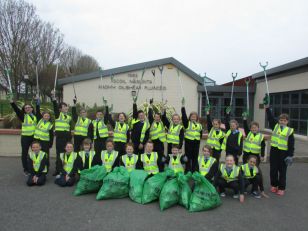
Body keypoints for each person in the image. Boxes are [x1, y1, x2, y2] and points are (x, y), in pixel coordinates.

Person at [264, 94, 294, 196]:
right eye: (281, 120)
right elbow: (270, 118)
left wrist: (290, 155)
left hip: (284, 153)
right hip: (274, 151)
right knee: (273, 169)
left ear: (287, 122)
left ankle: (281, 187)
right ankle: (274, 185)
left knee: (282, 171)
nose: (282, 122)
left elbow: (291, 145)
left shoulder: (289, 131)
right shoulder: (275, 126)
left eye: (284, 120)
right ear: (279, 120)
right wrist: (267, 107)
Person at [9, 94, 38, 175]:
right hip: (25, 138)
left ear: (32, 108)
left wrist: (37, 100)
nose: (27, 109)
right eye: (26, 108)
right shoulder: (23, 116)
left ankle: (34, 167)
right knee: (24, 153)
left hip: (34, 137)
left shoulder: (35, 116)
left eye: (29, 107)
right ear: (24, 110)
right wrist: (12, 102)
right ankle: (26, 169)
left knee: (35, 152)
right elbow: (16, 110)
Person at [51, 90, 72, 176]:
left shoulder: (69, 117)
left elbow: (69, 128)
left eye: (66, 106)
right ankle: (58, 169)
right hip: (60, 137)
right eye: (64, 106)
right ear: (60, 109)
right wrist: (53, 98)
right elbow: (55, 107)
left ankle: (66, 168)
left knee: (67, 153)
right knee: (59, 154)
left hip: (67, 137)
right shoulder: (58, 114)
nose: (66, 107)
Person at [181, 98, 203, 172]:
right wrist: (183, 106)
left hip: (196, 143)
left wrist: (198, 140)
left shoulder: (199, 125)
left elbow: (200, 134)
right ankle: (187, 170)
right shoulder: (187, 123)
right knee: (188, 157)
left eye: (195, 116)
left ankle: (194, 170)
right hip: (188, 143)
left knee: (195, 157)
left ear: (197, 118)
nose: (193, 117)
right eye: (192, 116)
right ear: (189, 117)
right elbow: (184, 116)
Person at [33, 97, 53, 171]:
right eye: (45, 115)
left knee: (45, 155)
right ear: (43, 116)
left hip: (45, 142)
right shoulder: (39, 120)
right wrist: (38, 103)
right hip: (37, 141)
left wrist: (50, 144)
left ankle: (46, 168)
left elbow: (51, 136)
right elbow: (37, 111)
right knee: (37, 155)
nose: (46, 117)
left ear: (49, 117)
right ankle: (36, 167)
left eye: (48, 116)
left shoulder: (50, 125)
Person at [131, 98, 150, 167]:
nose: (141, 116)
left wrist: (142, 143)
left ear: (144, 116)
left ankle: (140, 169)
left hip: (141, 144)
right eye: (140, 115)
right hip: (134, 144)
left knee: (141, 159)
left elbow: (147, 135)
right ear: (138, 116)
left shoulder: (147, 124)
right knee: (134, 158)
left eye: (142, 115)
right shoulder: (135, 121)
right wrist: (134, 103)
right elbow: (134, 111)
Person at [148, 99, 166, 171]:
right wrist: (151, 105)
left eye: (158, 117)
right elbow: (149, 114)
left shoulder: (162, 123)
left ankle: (161, 169)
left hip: (160, 143)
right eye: (156, 117)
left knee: (160, 157)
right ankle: (153, 169)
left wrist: (163, 108)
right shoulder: (151, 122)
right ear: (154, 117)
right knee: (153, 157)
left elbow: (164, 116)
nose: (157, 118)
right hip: (154, 143)